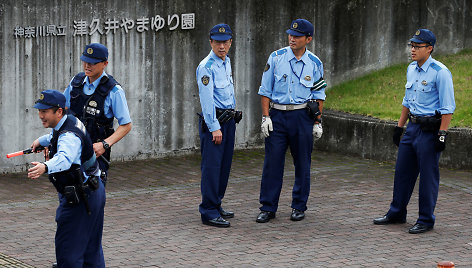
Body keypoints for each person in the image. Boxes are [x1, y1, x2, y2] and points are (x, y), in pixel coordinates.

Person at [373, 29, 455, 234]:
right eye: (412, 45)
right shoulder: (411, 69)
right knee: (402, 172)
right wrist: (399, 127)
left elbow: (448, 107)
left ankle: (426, 219)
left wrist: (442, 134)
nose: (413, 49)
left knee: (428, 177)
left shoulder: (440, 72)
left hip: (429, 130)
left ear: (430, 48)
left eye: (417, 46)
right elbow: (407, 101)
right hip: (412, 128)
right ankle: (397, 212)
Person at [256, 19, 327, 223]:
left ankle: (299, 205)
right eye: (290, 35)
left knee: (303, 163)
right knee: (272, 163)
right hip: (277, 115)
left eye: (297, 36)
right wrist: (265, 117)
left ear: (308, 39)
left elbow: (319, 94)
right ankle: (268, 207)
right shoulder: (276, 58)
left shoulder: (315, 62)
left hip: (302, 116)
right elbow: (265, 90)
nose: (292, 38)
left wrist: (317, 121)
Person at [28, 90, 106, 267]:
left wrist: (45, 167)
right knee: (91, 251)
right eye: (39, 111)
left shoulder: (69, 136)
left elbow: (65, 158)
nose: (40, 115)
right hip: (94, 191)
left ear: (59, 111)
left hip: (81, 199)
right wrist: (42, 140)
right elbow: (57, 136)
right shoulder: (69, 121)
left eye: (45, 111)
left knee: (68, 254)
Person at [63, 43, 132, 186]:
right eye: (85, 61)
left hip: (95, 156)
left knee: (92, 198)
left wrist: (104, 144)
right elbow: (62, 111)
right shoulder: (75, 83)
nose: (87, 65)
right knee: (69, 196)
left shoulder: (114, 91)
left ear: (105, 64)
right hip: (71, 150)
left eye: (93, 63)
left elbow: (126, 125)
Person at [196, 23, 242, 228]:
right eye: (217, 42)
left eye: (225, 42)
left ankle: (216, 203)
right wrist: (214, 126)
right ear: (210, 42)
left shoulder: (226, 62)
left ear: (230, 42)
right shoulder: (206, 67)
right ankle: (208, 211)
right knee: (212, 168)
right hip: (214, 122)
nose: (221, 46)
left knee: (224, 167)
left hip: (228, 120)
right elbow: (207, 101)